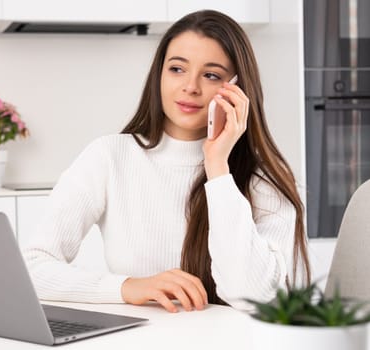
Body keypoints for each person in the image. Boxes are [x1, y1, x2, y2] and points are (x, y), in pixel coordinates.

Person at [22, 10, 311, 312]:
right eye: (177, 69)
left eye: (211, 75)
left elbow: (253, 296)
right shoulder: (108, 157)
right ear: (159, 74)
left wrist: (217, 169)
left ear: (237, 89)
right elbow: (33, 267)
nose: (190, 87)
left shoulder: (263, 178)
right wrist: (127, 287)